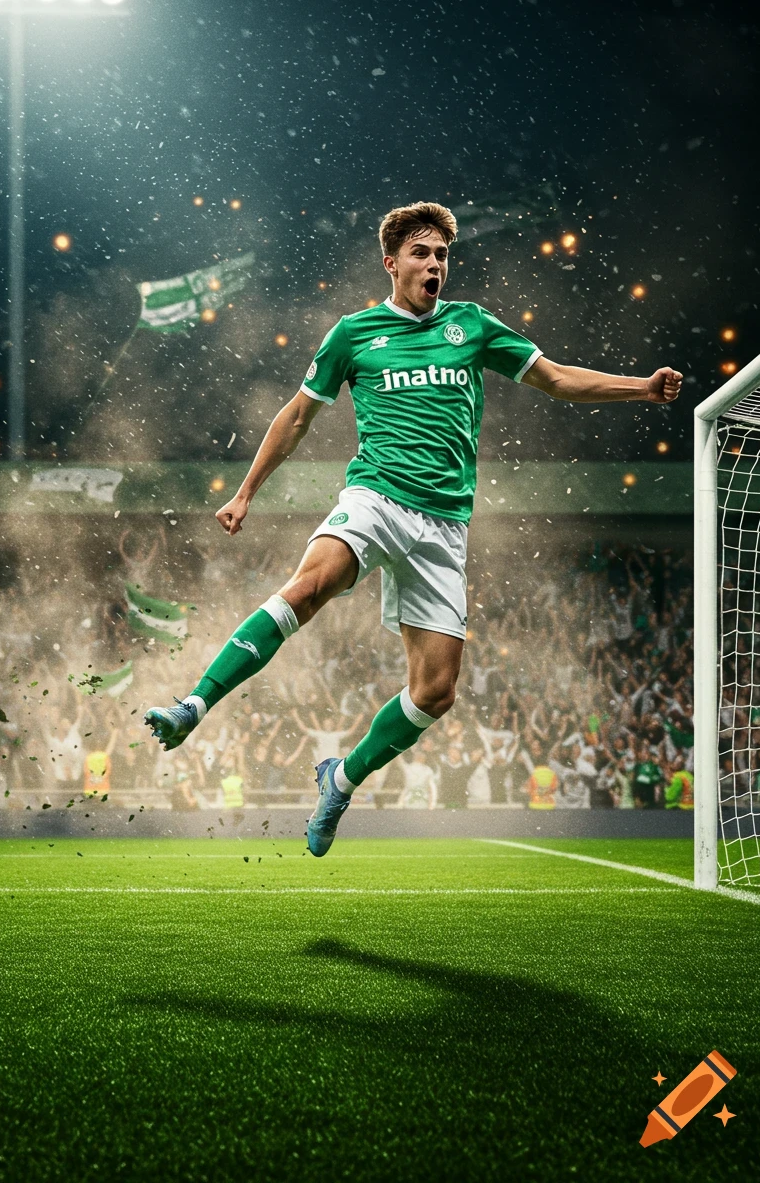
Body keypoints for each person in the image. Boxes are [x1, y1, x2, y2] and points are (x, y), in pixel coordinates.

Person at [145, 200, 683, 855]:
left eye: (443, 255)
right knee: (311, 584)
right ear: (392, 262)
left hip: (445, 525)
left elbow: (559, 379)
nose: (435, 265)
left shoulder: (472, 326)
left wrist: (643, 389)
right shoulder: (354, 334)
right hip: (375, 495)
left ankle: (341, 779)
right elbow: (295, 417)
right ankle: (192, 706)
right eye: (422, 254)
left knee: (436, 692)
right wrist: (244, 493)